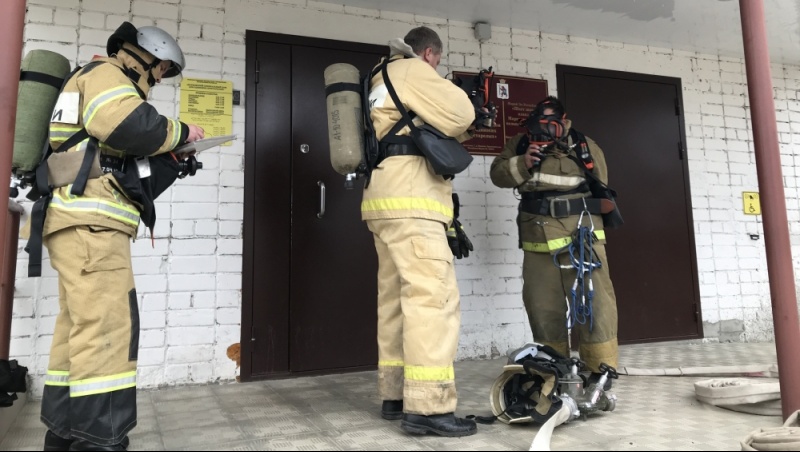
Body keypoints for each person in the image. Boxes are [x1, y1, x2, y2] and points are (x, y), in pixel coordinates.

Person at [37, 22, 204, 451]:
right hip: (92, 224)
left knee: (78, 327)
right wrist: (184, 131)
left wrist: (171, 160)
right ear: (145, 57)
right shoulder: (106, 75)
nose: (160, 78)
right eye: (161, 69)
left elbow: (113, 155)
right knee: (108, 327)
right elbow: (131, 126)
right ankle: (99, 439)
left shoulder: (87, 78)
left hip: (76, 221)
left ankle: (63, 433)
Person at [362, 26, 478, 437]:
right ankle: (428, 408)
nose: (436, 66)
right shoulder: (412, 70)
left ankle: (395, 395)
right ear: (429, 53)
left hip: (382, 200)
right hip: (413, 201)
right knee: (432, 299)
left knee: (395, 300)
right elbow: (462, 114)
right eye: (438, 62)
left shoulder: (377, 77)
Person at [489, 96, 619, 386]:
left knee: (596, 303)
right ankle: (553, 365)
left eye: (551, 122)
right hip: (538, 240)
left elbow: (601, 183)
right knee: (543, 306)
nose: (545, 129)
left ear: (563, 120)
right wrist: (523, 162)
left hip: (581, 237)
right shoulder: (520, 144)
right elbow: (497, 175)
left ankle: (600, 368)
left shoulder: (584, 145)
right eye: (540, 122)